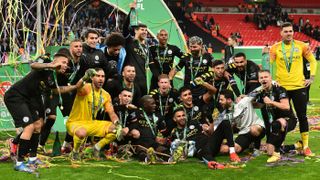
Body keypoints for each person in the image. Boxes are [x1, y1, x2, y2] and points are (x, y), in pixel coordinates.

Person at [4, 49, 82, 173]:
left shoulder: (53, 77)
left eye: (67, 64)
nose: (65, 65)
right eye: (63, 62)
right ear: (55, 60)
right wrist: (50, 65)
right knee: (29, 127)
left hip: (28, 99)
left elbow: (56, 90)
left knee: (38, 125)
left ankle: (32, 159)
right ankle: (19, 163)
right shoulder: (46, 61)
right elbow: (33, 65)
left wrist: (75, 87)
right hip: (15, 96)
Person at [269, 22, 317, 156]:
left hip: (299, 87)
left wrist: (311, 78)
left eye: (290, 31)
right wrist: (272, 80)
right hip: (282, 88)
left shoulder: (302, 46)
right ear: (281, 33)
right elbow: (268, 64)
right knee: (281, 117)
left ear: (293, 32)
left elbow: (313, 61)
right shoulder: (275, 48)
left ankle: (305, 146)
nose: (289, 33)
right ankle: (280, 144)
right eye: (286, 31)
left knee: (302, 117)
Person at [66, 68, 126, 161]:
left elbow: (111, 112)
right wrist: (84, 78)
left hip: (91, 123)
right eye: (98, 76)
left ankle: (96, 148)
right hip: (75, 123)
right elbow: (78, 87)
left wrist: (118, 123)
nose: (101, 79)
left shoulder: (106, 95)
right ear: (92, 78)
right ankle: (75, 152)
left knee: (115, 130)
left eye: (103, 76)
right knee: (82, 133)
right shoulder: (87, 87)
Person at [256, 70, 297, 162]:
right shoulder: (261, 92)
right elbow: (259, 105)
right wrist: (249, 100)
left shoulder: (279, 89)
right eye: (261, 78)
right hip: (276, 122)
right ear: (259, 80)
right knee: (269, 151)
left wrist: (271, 102)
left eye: (266, 77)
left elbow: (286, 106)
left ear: (271, 78)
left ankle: (277, 154)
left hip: (289, 120)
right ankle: (296, 146)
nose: (263, 79)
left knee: (278, 123)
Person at [218, 89, 265, 157]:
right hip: (244, 132)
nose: (219, 102)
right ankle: (250, 144)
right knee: (230, 150)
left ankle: (256, 148)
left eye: (221, 100)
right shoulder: (224, 115)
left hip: (258, 127)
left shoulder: (244, 101)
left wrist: (273, 83)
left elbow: (257, 90)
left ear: (229, 100)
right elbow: (216, 127)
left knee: (254, 130)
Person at [129, 95, 168, 162]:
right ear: (145, 104)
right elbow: (130, 126)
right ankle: (147, 159)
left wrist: (161, 137)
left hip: (153, 141)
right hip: (140, 141)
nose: (155, 105)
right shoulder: (137, 113)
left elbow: (163, 130)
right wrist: (132, 130)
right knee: (141, 151)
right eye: (152, 104)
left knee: (164, 150)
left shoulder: (158, 116)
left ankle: (167, 158)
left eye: (155, 103)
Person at [123, 4, 152, 94]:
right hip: (131, 80)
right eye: (142, 29)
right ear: (135, 30)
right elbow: (125, 28)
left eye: (146, 30)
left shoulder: (147, 47)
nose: (145, 32)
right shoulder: (130, 41)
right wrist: (131, 11)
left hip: (144, 81)